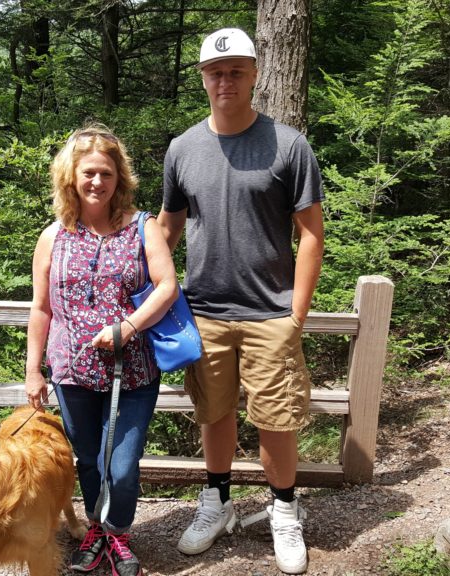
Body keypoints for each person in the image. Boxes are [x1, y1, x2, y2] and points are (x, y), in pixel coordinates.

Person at [158, 28, 325, 575]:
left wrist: (295, 315)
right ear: (203, 78)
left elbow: (311, 235)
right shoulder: (182, 149)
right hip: (204, 310)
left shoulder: (288, 145)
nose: (225, 80)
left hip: (270, 313)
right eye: (215, 71)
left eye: (235, 70)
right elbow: (168, 229)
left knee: (277, 419)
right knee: (216, 413)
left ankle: (283, 509)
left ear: (255, 74)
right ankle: (218, 502)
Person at [25, 124, 179, 576]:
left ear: (119, 178)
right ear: (71, 176)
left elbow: (167, 286)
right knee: (89, 460)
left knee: (124, 464)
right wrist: (34, 371)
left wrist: (127, 328)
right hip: (71, 374)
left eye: (106, 174)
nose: (97, 182)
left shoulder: (142, 228)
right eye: (88, 173)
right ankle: (97, 530)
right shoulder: (53, 236)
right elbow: (41, 308)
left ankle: (119, 533)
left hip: (132, 372)